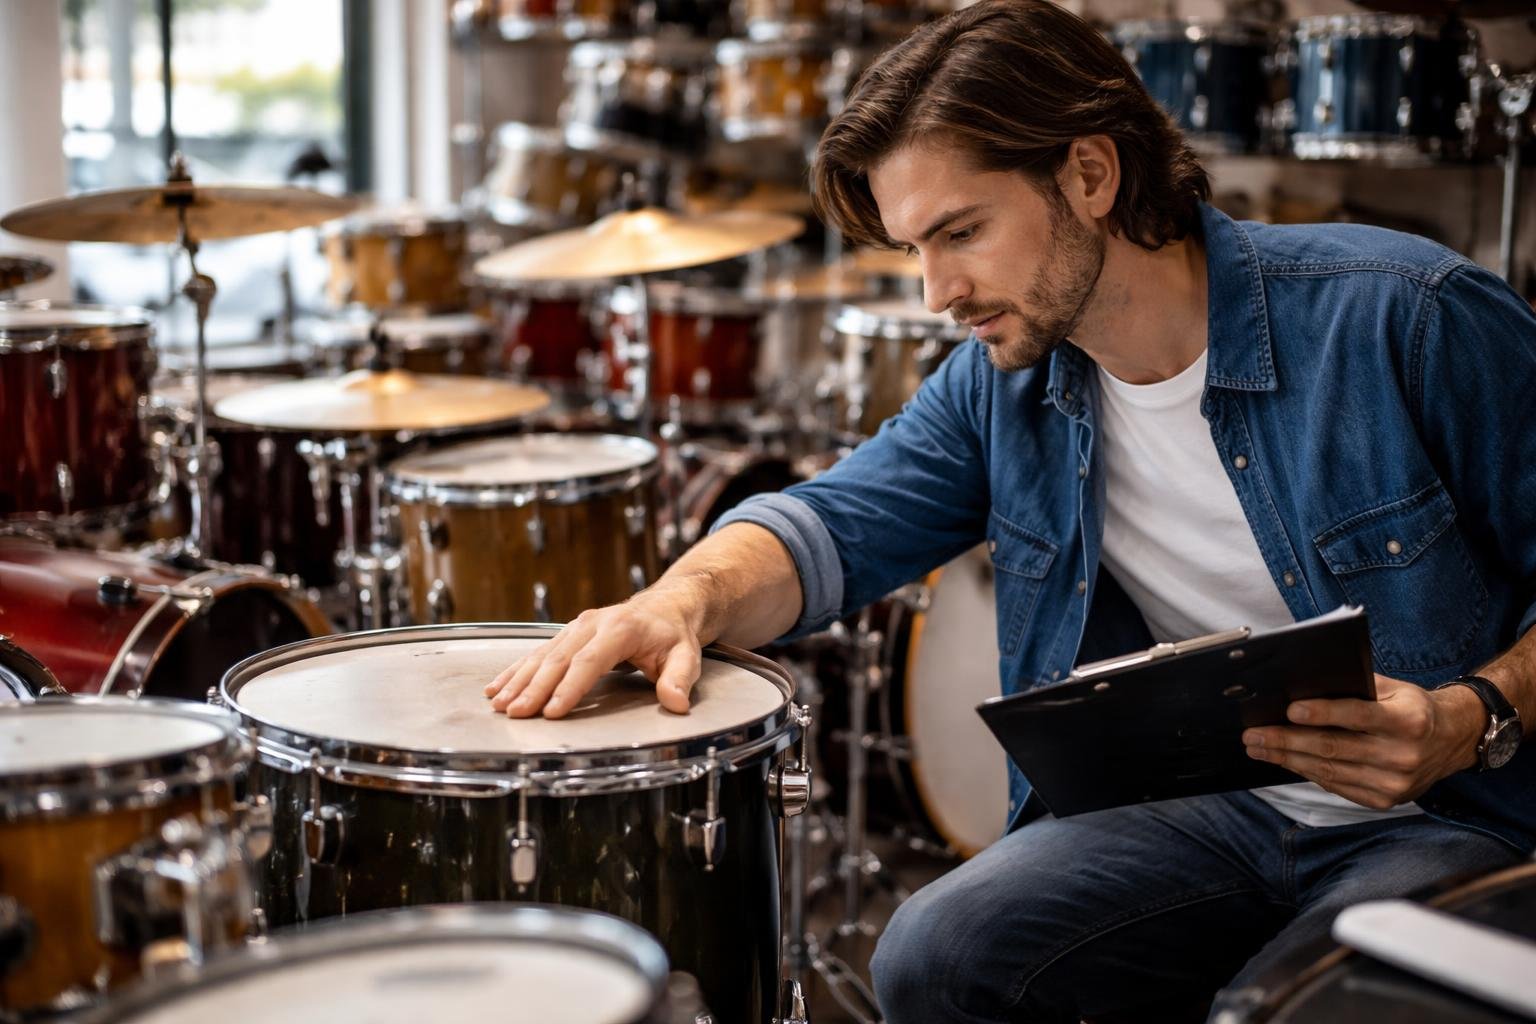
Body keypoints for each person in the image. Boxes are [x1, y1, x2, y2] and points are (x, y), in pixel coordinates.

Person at [485, 1, 1536, 1018]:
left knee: (1288, 1007)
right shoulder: (1004, 380)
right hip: (1211, 811)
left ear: (1089, 173)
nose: (938, 289)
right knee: (931, 956)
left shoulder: (1408, 317)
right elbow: (832, 526)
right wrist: (682, 601)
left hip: (1453, 815)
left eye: (962, 232)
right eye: (916, 251)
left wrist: (1468, 719)